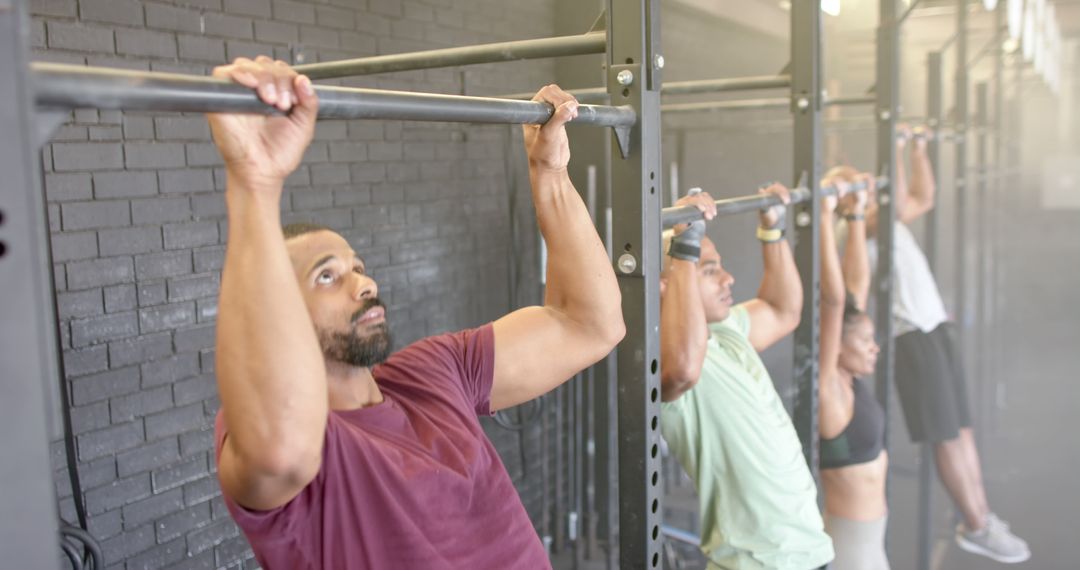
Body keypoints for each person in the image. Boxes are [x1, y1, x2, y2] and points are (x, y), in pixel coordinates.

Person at [206, 56, 625, 569]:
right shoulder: (291, 442)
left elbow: (590, 324)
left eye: (357, 267)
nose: (364, 283)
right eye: (327, 276)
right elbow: (281, 451)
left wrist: (550, 171)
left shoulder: (434, 373)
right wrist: (254, 180)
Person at [842, 126, 1030, 563]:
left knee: (962, 429)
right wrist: (898, 148)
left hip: (934, 329)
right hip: (911, 340)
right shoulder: (858, 228)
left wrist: (918, 150)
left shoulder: (883, 217)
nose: (866, 188)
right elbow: (893, 203)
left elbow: (923, 197)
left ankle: (980, 517)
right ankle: (976, 524)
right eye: (853, 184)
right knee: (945, 436)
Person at [659, 186, 834, 569]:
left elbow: (783, 310)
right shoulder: (663, 355)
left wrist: (773, 231)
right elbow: (684, 370)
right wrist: (685, 246)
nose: (728, 278)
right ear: (665, 285)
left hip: (808, 551)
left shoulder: (726, 331)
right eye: (710, 270)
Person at [816, 167, 889, 569]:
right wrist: (825, 217)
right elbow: (835, 302)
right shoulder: (830, 391)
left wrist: (857, 215)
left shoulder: (850, 379)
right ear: (837, 345)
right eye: (864, 342)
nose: (874, 348)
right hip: (851, 557)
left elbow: (855, 291)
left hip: (872, 547)